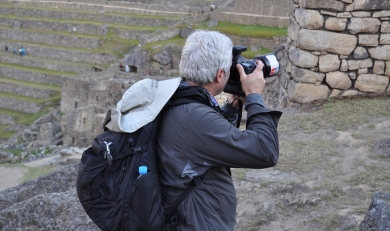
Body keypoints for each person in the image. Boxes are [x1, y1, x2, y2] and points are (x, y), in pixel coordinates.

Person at [158, 30, 282, 230]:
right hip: (194, 222)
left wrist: (231, 108)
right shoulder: (195, 116)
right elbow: (265, 151)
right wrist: (254, 97)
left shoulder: (176, 96)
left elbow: (204, 143)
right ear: (220, 75)